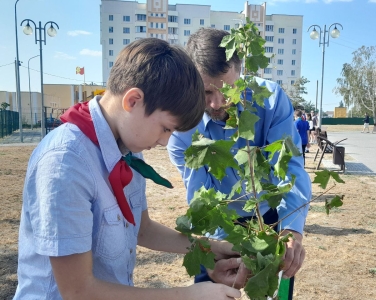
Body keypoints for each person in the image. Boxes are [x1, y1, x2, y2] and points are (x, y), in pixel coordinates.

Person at [13, 38, 242, 300]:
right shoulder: (65, 162)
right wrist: (186, 296)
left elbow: (141, 229)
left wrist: (210, 248)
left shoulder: (127, 147)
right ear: (133, 101)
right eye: (166, 128)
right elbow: (78, 291)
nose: (165, 140)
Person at [167, 28, 311, 298]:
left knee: (271, 291)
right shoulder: (183, 130)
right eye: (207, 91)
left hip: (270, 216)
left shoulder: (270, 100)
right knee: (211, 292)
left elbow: (289, 167)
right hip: (219, 222)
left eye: (227, 90)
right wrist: (224, 248)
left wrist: (292, 229)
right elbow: (204, 200)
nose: (217, 103)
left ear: (240, 73)